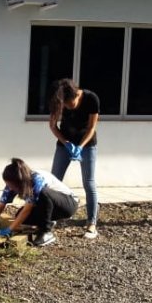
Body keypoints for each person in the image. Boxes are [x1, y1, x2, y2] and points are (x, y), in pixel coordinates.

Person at [0, 158, 79, 247]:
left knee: (43, 193)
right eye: (8, 184)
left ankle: (46, 232)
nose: (9, 188)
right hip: (52, 207)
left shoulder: (37, 179)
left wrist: (10, 229)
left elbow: (27, 209)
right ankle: (48, 221)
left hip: (68, 205)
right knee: (20, 217)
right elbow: (0, 206)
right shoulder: (12, 184)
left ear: (19, 182)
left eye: (11, 185)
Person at [49, 78, 100, 239]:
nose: (68, 107)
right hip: (65, 144)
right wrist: (67, 143)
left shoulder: (91, 99)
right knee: (53, 181)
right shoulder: (58, 100)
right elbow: (52, 126)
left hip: (87, 144)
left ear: (77, 94)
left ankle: (92, 224)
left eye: (71, 103)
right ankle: (49, 219)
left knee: (89, 182)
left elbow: (92, 127)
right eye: (65, 105)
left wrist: (80, 146)